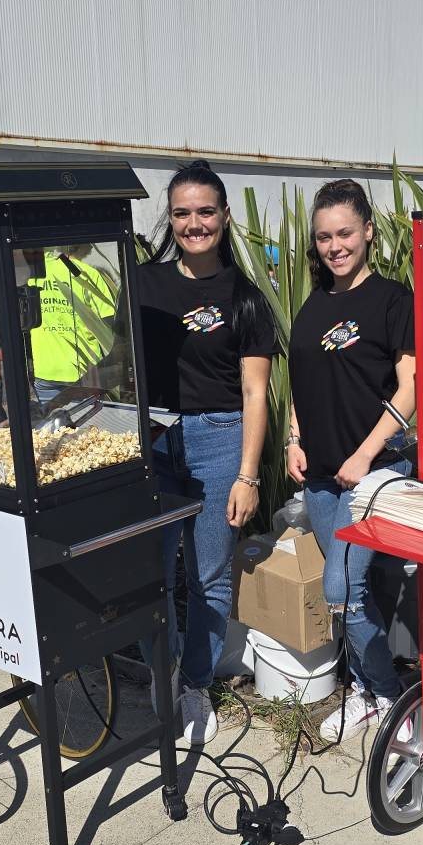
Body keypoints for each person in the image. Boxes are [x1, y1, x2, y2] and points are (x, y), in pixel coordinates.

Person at [136, 160, 276, 746]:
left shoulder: (245, 297)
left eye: (206, 212)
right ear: (171, 219)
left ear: (223, 217)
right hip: (155, 439)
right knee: (148, 575)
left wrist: (248, 475)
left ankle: (194, 682)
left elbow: (254, 392)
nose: (195, 223)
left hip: (220, 441)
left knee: (210, 575)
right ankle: (163, 670)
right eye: (183, 213)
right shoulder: (144, 283)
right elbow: (123, 365)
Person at [287, 179, 416, 741]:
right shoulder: (314, 303)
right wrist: (294, 436)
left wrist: (365, 455)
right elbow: (300, 379)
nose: (334, 245)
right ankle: (365, 690)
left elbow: (411, 389)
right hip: (321, 475)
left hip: (374, 471)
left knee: (341, 590)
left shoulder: (393, 300)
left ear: (368, 231)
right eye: (323, 237)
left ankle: (391, 698)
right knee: (350, 593)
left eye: (344, 233)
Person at [26, 245, 117, 411]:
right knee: (89, 431)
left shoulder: (31, 275)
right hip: (84, 373)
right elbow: (111, 327)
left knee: (54, 431)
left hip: (45, 370)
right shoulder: (86, 274)